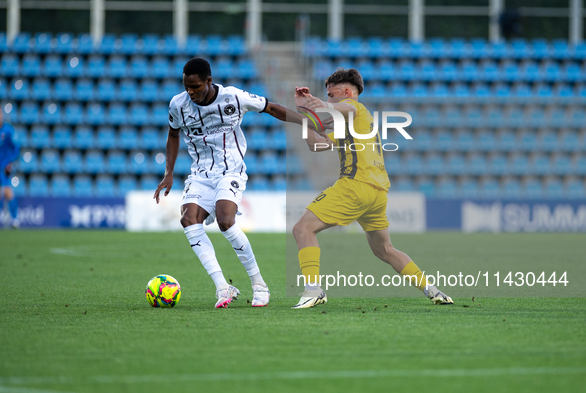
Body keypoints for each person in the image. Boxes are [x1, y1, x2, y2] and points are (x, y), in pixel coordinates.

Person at [154, 57, 316, 309]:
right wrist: (169, 172)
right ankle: (223, 286)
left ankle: (259, 285)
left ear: (208, 81)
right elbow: (173, 134)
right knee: (188, 220)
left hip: (230, 171)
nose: (190, 92)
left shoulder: (233, 97)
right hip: (199, 174)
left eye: (195, 87)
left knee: (225, 220)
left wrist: (305, 121)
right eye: (186, 86)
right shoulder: (178, 105)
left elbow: (271, 108)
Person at [292, 68, 453, 308]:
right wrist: (306, 115)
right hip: (377, 193)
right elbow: (316, 146)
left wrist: (316, 105)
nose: (328, 99)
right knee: (385, 250)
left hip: (355, 185)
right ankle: (432, 290)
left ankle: (313, 290)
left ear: (346, 92)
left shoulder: (356, 108)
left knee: (302, 229)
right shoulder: (351, 123)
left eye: (331, 95)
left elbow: (344, 108)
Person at [0, 104, 20, 229]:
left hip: (4, 166)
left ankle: (15, 219)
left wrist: (11, 162)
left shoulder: (8, 130)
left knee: (7, 191)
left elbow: (16, 147)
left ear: (2, 114)